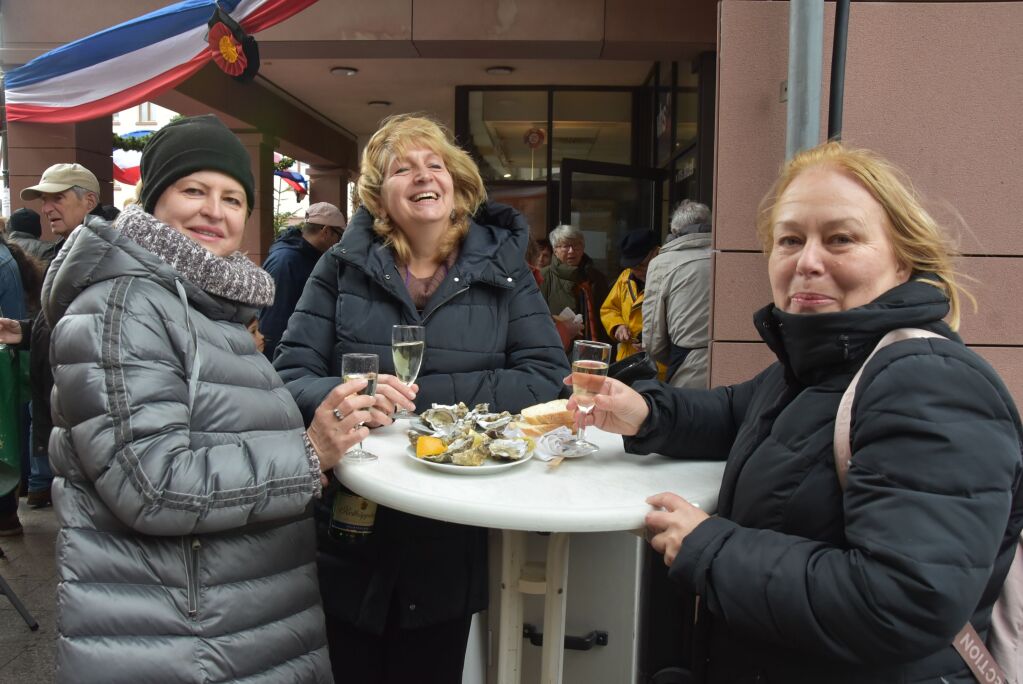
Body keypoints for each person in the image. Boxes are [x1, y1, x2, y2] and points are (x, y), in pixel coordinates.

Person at [569, 142, 1023, 682]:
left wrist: (709, 548)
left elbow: (904, 602)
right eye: (790, 239)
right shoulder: (823, 364)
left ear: (902, 258)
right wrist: (645, 412)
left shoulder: (929, 384)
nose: (807, 261)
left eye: (841, 239)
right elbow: (735, 413)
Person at [0, 114, 416, 683]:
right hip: (183, 640)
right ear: (151, 202)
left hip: (227, 624)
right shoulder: (124, 307)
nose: (214, 211)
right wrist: (307, 452)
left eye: (232, 197)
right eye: (192, 190)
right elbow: (150, 482)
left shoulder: (206, 306)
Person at [274, 113, 568, 684]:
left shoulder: (504, 269)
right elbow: (290, 372)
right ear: (379, 196)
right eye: (402, 168)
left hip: (452, 517)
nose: (422, 176)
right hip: (354, 512)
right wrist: (355, 394)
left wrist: (419, 399)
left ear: (457, 183)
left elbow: (544, 375)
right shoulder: (340, 267)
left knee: (430, 661)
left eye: (435, 164)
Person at [19, 162, 104, 509]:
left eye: (57, 197)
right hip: (67, 407)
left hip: (91, 413)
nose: (46, 208)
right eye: (43, 199)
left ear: (89, 201)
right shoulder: (67, 251)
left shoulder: (101, 255)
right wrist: (25, 332)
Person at [259, 201, 347, 358]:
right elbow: (274, 321)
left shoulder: (307, 257)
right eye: (340, 236)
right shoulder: (286, 262)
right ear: (326, 232)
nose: (340, 243)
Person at [642, 200, 712, 388]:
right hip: (736, 365)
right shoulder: (730, 257)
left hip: (686, 364)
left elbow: (652, 338)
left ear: (674, 231)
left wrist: (674, 356)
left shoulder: (662, 263)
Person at [601, 229, 662, 375]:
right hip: (627, 361)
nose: (637, 272)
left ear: (656, 252)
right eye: (632, 267)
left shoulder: (669, 276)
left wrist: (654, 344)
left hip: (658, 364)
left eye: (641, 265)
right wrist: (618, 326)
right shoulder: (626, 276)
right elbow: (609, 308)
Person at [539, 224, 611, 349]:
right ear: (555, 250)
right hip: (557, 349)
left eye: (576, 246)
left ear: (583, 248)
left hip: (595, 350)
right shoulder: (543, 276)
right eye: (566, 246)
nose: (571, 251)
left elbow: (607, 312)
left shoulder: (596, 277)